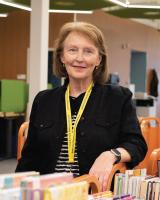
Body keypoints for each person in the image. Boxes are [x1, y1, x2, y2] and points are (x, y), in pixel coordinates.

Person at [16, 21, 147, 191]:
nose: (79, 58)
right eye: (72, 50)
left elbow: (137, 145)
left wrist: (111, 154)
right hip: (49, 193)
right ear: (62, 57)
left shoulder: (118, 98)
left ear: (99, 59)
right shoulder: (43, 100)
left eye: (88, 51)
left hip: (94, 191)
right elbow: (29, 157)